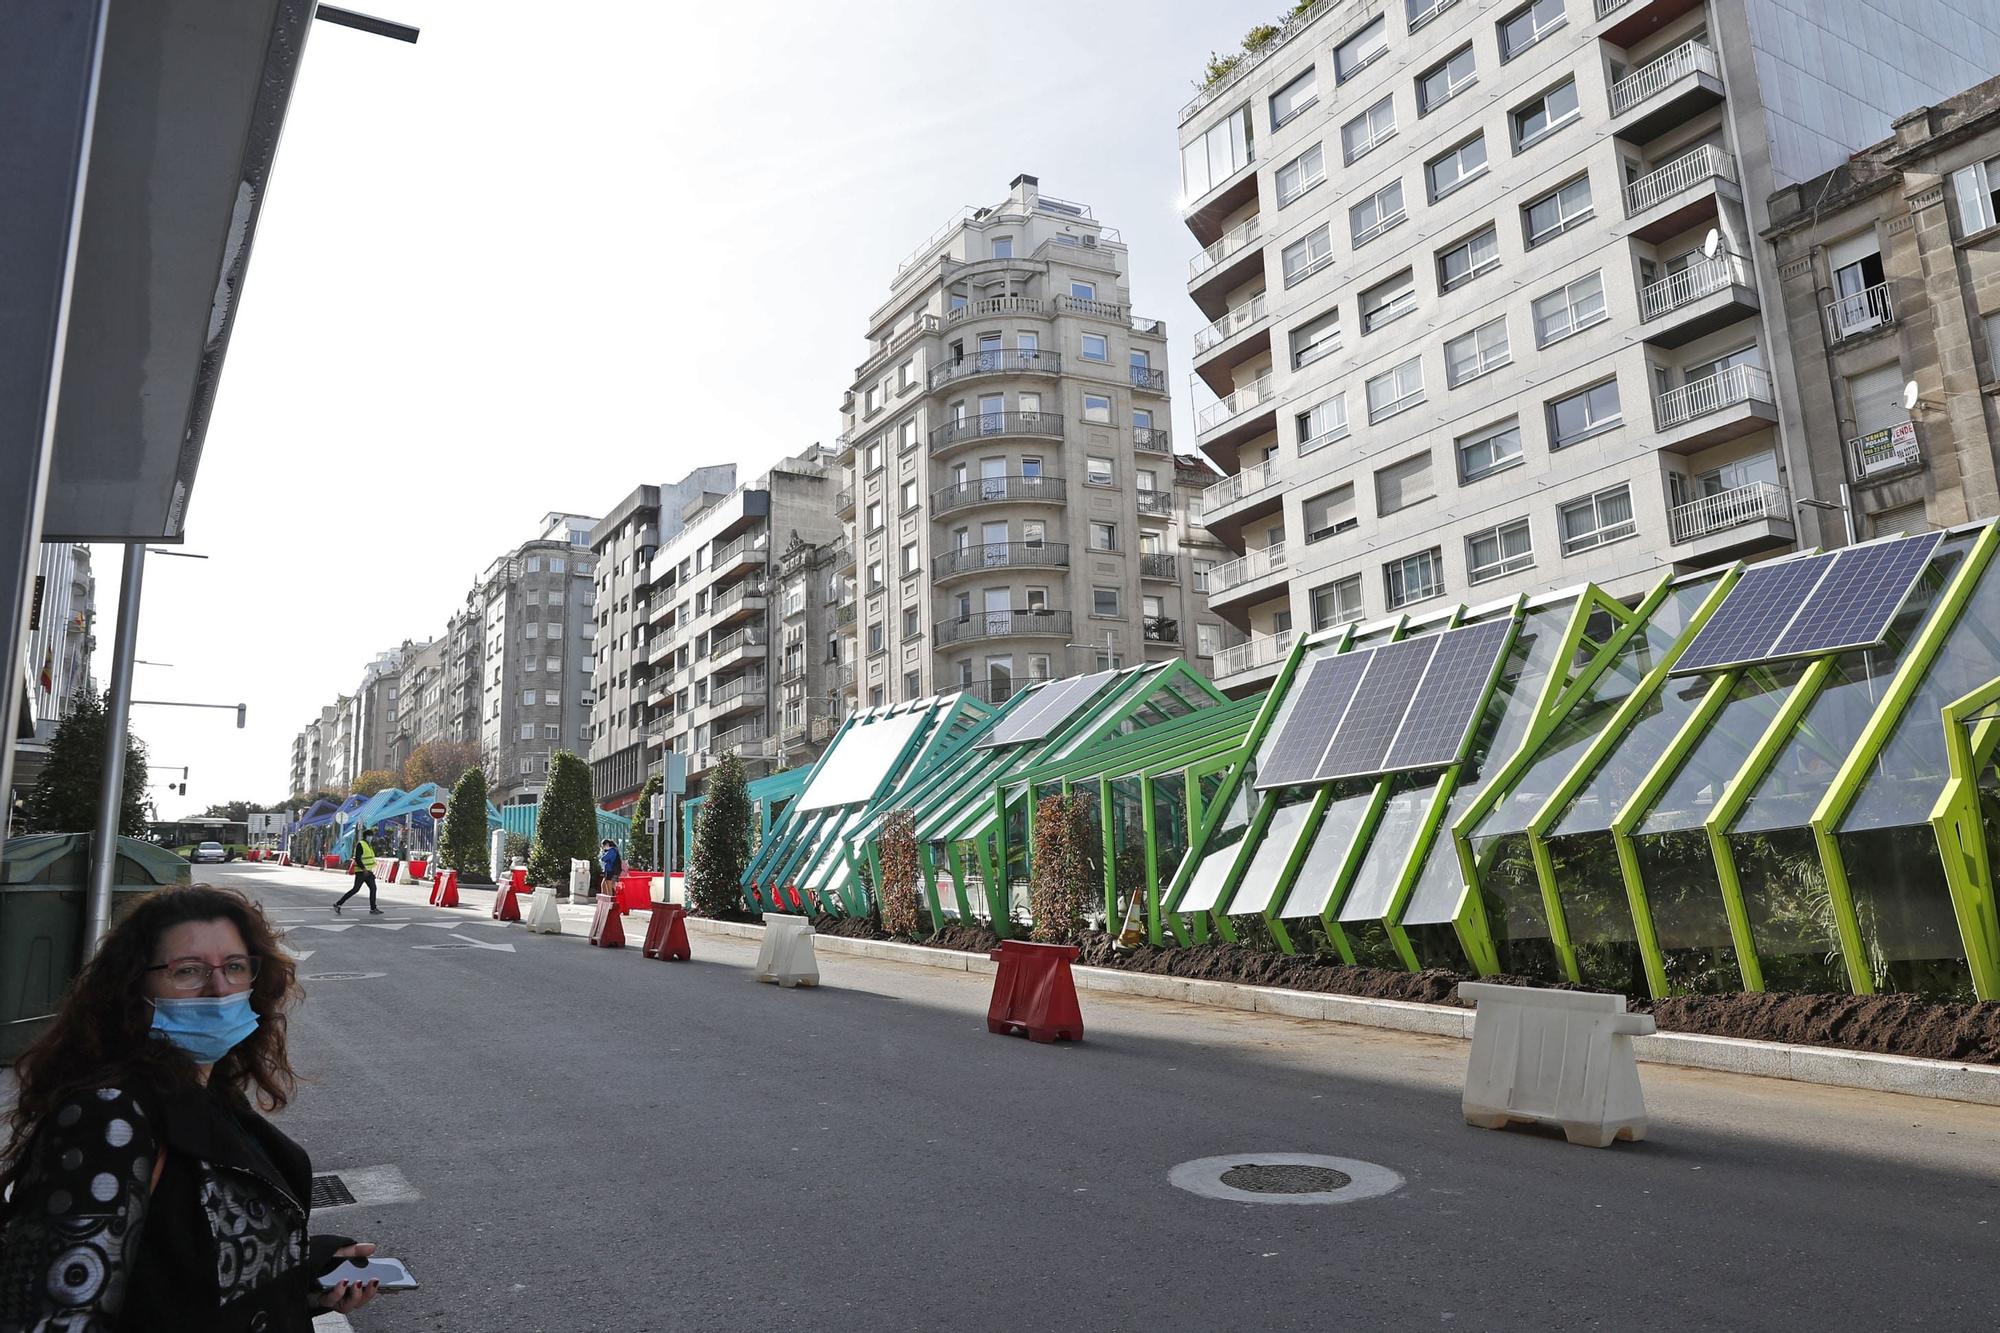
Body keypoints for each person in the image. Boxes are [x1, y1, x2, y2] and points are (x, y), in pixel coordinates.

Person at [0, 884, 383, 1330]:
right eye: (188, 971)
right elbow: (55, 1312)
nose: (219, 989)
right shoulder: (108, 1117)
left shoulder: (208, 1087)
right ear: (133, 987)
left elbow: (181, 1270)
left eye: (235, 967)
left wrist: (299, 1270)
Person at [334, 828, 382, 916]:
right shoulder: (361, 844)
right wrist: (364, 869)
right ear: (367, 836)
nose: (371, 838)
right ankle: (338, 904)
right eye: (370, 836)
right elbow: (358, 858)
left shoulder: (368, 845)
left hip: (368, 872)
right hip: (361, 871)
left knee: (373, 888)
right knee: (355, 889)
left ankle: (373, 908)